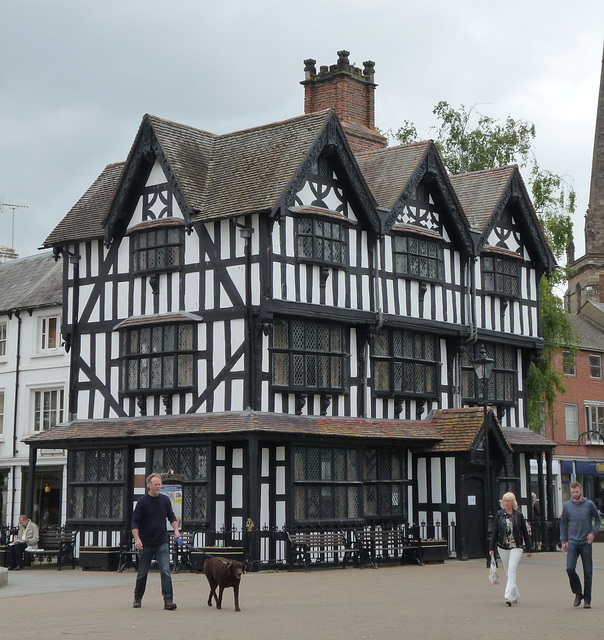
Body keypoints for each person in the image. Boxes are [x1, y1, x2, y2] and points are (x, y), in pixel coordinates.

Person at [131, 473, 181, 610]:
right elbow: (134, 522)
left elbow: (172, 517)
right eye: (156, 484)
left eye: (160, 484)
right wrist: (137, 539)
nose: (158, 487)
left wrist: (176, 530)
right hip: (146, 543)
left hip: (161, 542)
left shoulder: (165, 501)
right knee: (142, 572)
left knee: (165, 571)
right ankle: (137, 597)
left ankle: (168, 600)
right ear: (149, 486)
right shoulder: (142, 502)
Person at [560, 480, 601, 609]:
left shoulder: (589, 504)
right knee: (570, 568)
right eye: (573, 492)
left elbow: (598, 520)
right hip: (572, 541)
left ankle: (587, 599)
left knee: (588, 572)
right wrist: (563, 540)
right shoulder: (567, 505)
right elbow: (563, 524)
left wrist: (593, 533)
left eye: (577, 492)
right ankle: (578, 593)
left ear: (581, 491)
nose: (575, 494)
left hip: (585, 543)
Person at [489, 492, 532, 606]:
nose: (506, 503)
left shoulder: (518, 515)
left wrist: (528, 548)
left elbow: (524, 532)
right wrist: (491, 548)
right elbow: (495, 531)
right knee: (508, 571)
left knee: (512, 570)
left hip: (516, 547)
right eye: (505, 501)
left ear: (513, 503)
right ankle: (515, 594)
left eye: (509, 501)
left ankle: (508, 596)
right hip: (502, 547)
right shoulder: (499, 514)